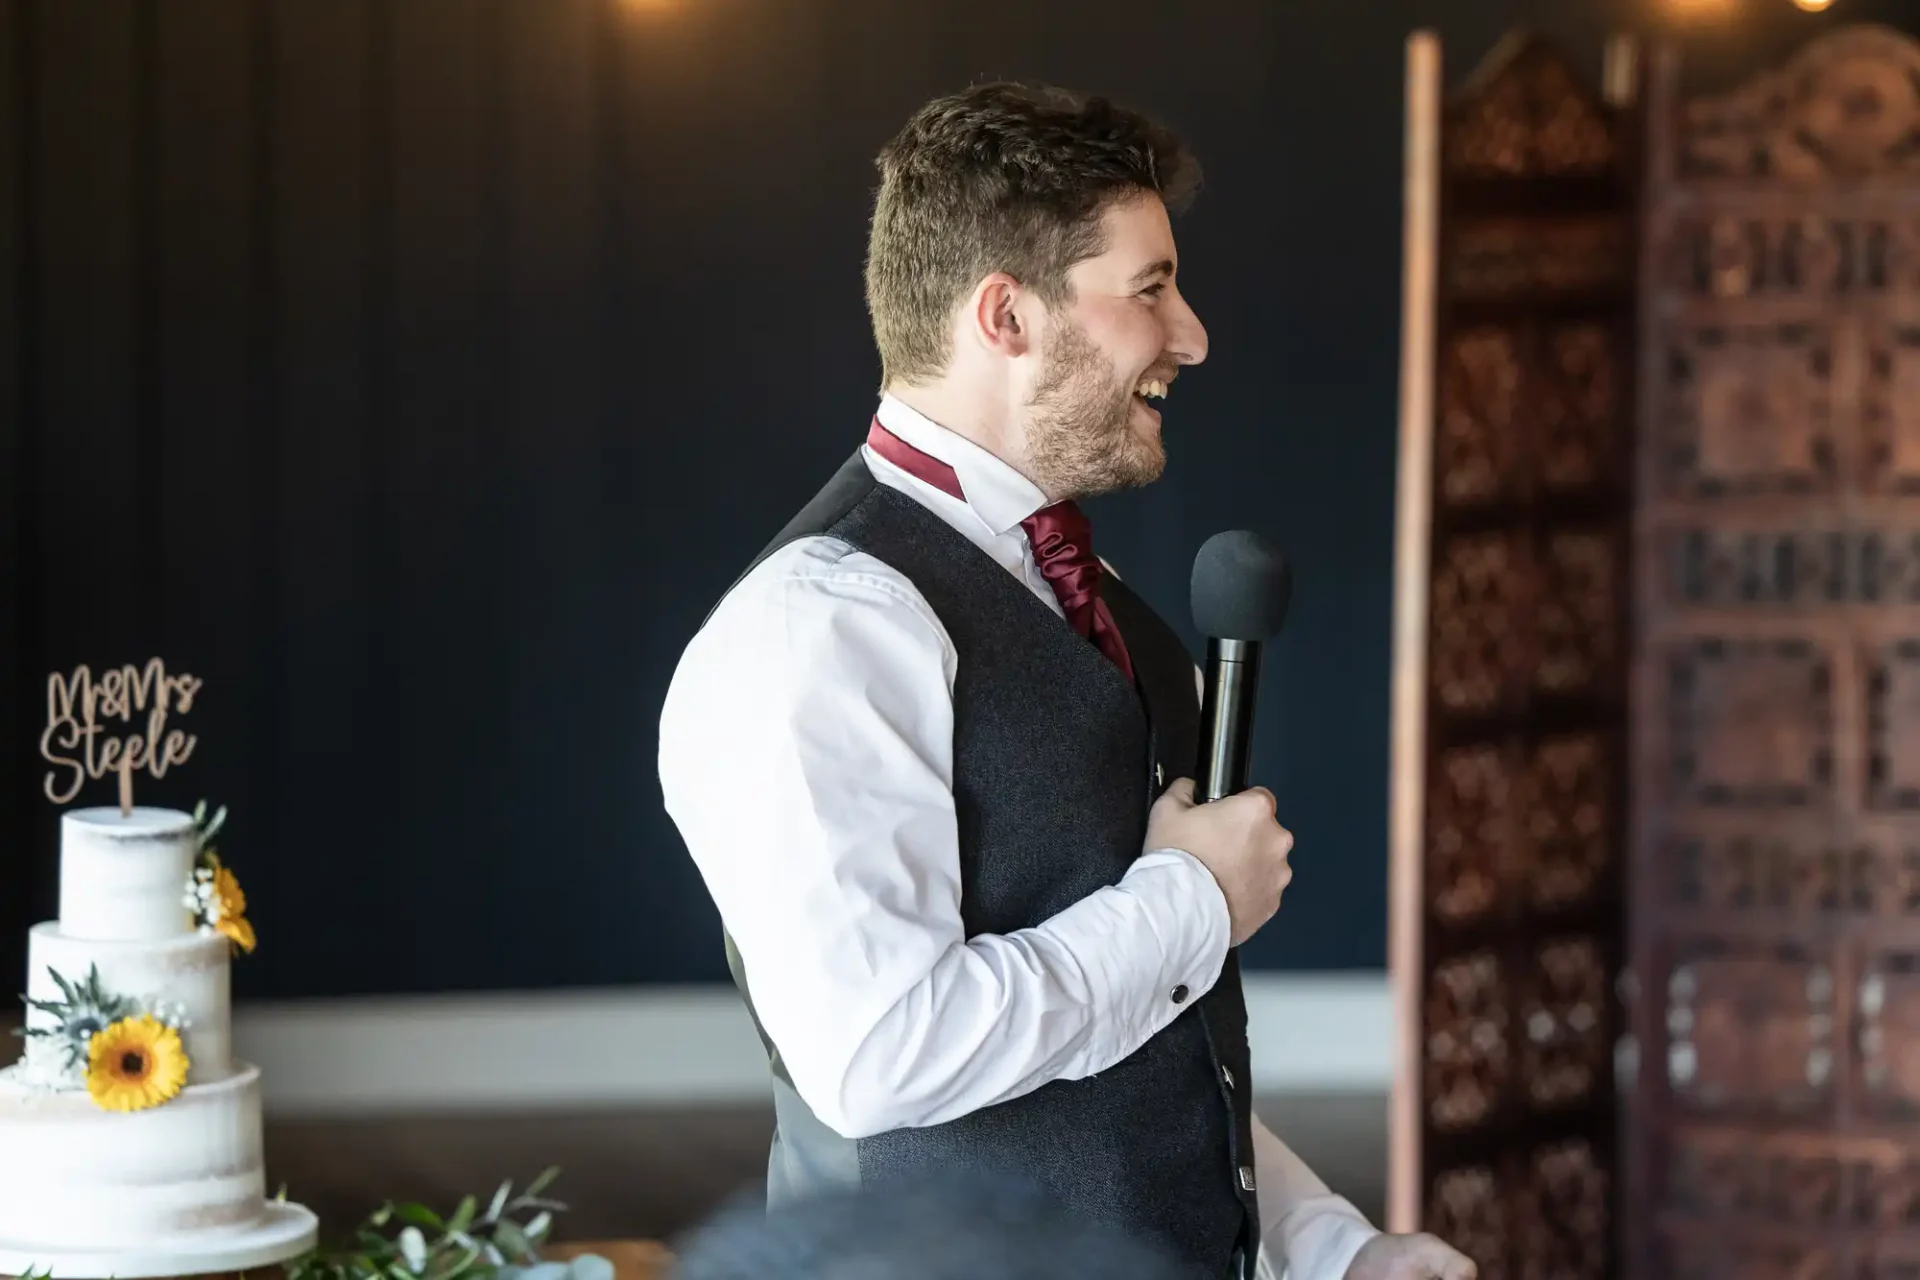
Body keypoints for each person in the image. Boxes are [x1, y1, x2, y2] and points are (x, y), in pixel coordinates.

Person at [658, 81, 1475, 1280]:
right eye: (1149, 288)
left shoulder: (1084, 590)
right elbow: (885, 1052)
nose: (1191, 334)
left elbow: (1146, 1050)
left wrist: (1333, 1247)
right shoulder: (816, 627)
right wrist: (1188, 900)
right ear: (1006, 315)